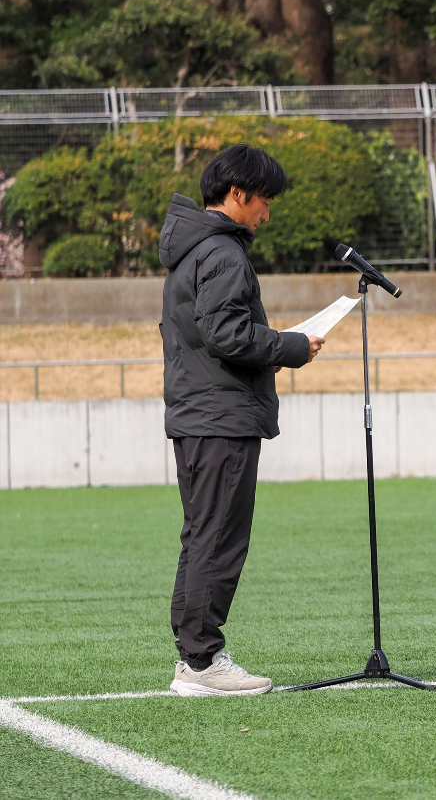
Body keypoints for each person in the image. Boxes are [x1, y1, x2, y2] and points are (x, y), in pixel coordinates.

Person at [159, 144, 324, 696]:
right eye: (264, 201)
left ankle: (194, 659)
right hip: (220, 416)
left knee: (202, 536)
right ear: (238, 194)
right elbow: (227, 334)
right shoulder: (223, 253)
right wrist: (292, 345)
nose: (267, 213)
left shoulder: (191, 249)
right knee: (219, 540)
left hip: (197, 413)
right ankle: (203, 663)